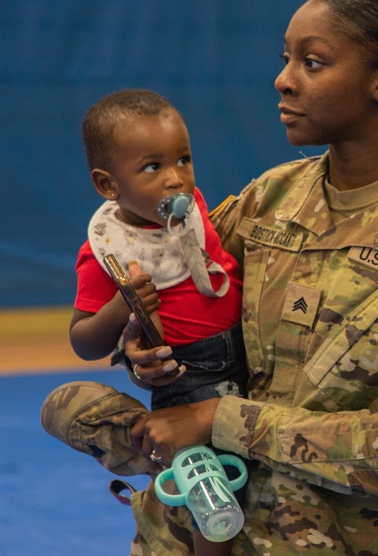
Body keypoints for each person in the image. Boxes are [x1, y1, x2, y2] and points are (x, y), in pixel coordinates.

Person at [42, 0, 378, 556]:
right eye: (286, 58)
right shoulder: (271, 199)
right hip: (191, 532)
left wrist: (218, 420)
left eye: (312, 63)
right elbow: (188, 314)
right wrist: (144, 354)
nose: (283, 80)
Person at [61, 88, 247, 555]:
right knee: (213, 479)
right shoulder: (106, 253)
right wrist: (120, 307)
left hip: (249, 352)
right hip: (189, 378)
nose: (176, 179)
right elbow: (83, 341)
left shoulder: (192, 208)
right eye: (152, 167)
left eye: (183, 159)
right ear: (108, 185)